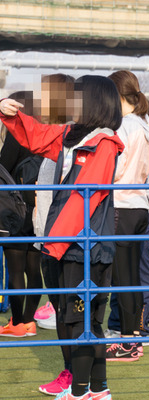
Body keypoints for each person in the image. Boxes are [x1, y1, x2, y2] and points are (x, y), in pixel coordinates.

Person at [0, 74, 124, 400]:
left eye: (77, 97)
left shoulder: (104, 143)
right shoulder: (71, 135)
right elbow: (38, 137)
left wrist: (54, 244)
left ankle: (81, 391)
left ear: (94, 102)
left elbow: (85, 199)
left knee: (82, 322)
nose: (71, 103)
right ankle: (97, 390)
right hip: (62, 244)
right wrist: (10, 114)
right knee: (73, 320)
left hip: (85, 247)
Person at [104, 70, 149, 362]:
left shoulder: (123, 126)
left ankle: (127, 341)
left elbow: (114, 168)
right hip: (141, 206)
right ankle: (135, 335)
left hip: (121, 205)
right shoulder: (146, 124)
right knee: (133, 277)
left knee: (122, 278)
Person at [33, 73, 80, 396]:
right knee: (60, 308)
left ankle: (80, 377)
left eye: (45, 94)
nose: (40, 101)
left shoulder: (72, 137)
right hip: (45, 236)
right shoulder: (54, 136)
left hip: (64, 238)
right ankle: (69, 372)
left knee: (70, 311)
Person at [0, 90, 42, 338]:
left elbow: (3, 167)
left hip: (16, 208)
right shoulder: (42, 135)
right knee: (33, 268)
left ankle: (16, 323)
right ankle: (29, 321)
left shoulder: (17, 135)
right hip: (38, 207)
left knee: (15, 268)